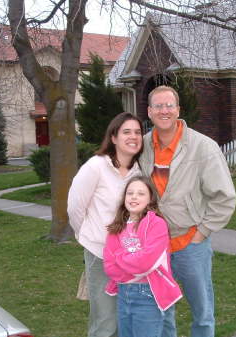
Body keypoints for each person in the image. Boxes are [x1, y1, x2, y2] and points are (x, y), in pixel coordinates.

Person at [139, 85, 236, 337]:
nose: (164, 111)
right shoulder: (143, 146)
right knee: (162, 311)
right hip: (156, 247)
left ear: (178, 109)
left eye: (169, 105)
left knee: (202, 312)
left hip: (190, 243)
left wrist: (201, 233)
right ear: (149, 112)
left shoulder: (203, 147)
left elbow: (224, 197)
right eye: (158, 106)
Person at [67, 112, 144, 337]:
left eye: (138, 132)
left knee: (126, 319)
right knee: (105, 322)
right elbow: (75, 207)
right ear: (113, 137)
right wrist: (88, 236)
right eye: (126, 132)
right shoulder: (96, 166)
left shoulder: (140, 171)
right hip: (101, 255)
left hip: (131, 258)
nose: (133, 137)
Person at [103, 176, 182, 337]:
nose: (134, 197)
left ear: (150, 199)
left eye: (140, 193)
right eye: (130, 193)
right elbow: (109, 266)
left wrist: (121, 257)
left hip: (148, 294)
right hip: (123, 293)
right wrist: (131, 263)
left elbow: (144, 263)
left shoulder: (157, 224)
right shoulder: (117, 227)